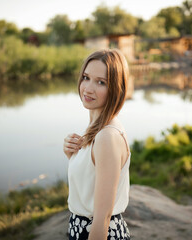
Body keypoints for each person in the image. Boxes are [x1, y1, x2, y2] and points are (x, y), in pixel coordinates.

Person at [63, 49, 131, 240]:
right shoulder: (96, 129)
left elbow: (102, 218)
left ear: (116, 88)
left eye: (101, 82)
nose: (88, 88)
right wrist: (74, 156)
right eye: (86, 77)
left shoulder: (107, 136)